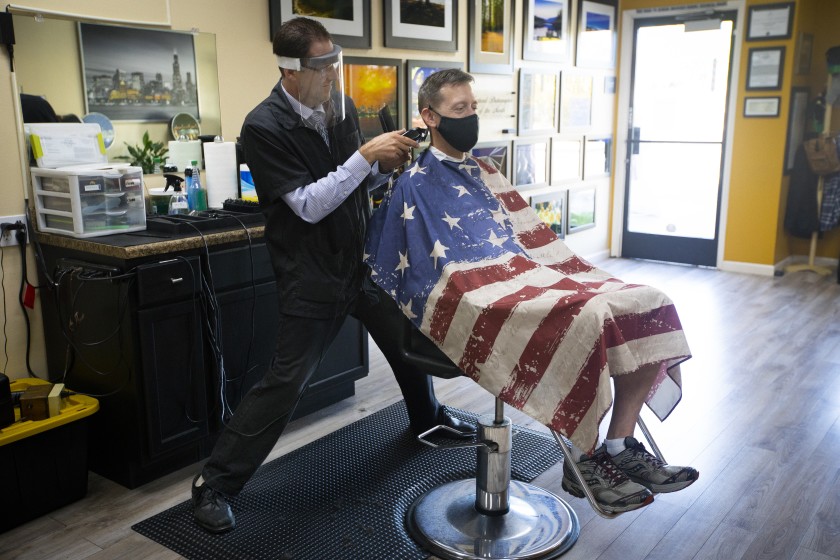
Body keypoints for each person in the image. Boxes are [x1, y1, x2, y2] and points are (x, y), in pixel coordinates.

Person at [364, 68, 699, 514]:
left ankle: (618, 445)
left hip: (532, 273)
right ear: (430, 117)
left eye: (474, 107)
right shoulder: (413, 183)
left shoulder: (488, 171)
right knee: (589, 314)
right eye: (459, 109)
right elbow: (426, 270)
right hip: (480, 295)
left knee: (649, 302)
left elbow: (525, 236)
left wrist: (544, 273)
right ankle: (582, 457)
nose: (471, 117)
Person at [191, 18, 475, 534]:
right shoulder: (263, 126)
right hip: (310, 274)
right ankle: (215, 484)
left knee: (405, 340)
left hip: (359, 259)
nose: (332, 75)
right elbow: (306, 205)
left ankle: (427, 416)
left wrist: (382, 165)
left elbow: (354, 182)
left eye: (334, 62)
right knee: (286, 382)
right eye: (322, 67)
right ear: (291, 71)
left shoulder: (339, 107)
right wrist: (366, 156)